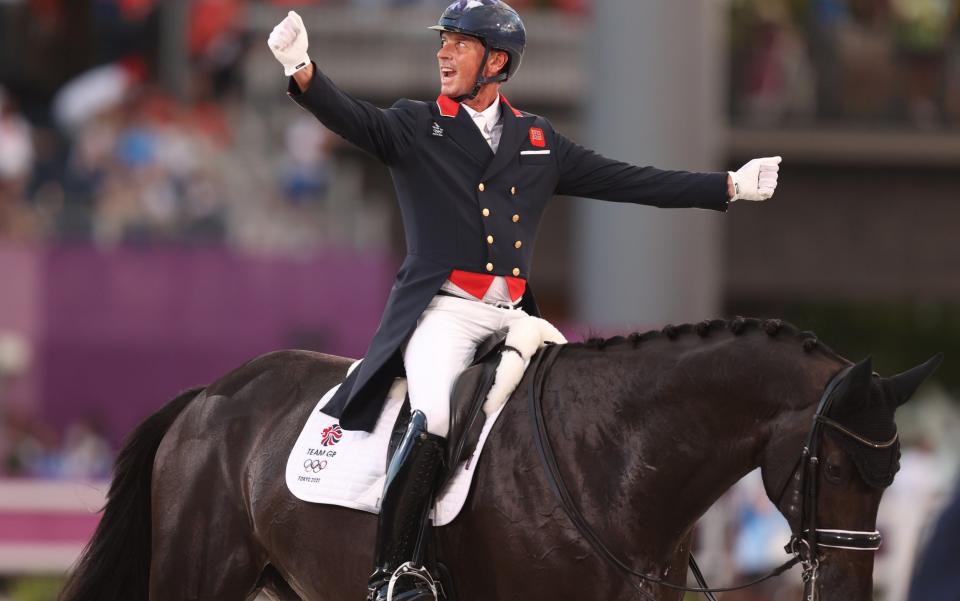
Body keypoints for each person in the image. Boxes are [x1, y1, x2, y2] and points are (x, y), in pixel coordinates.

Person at [268, 2, 781, 599]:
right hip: (443, 313)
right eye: (445, 42)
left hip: (515, 320)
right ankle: (395, 572)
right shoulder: (415, 123)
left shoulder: (538, 140)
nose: (443, 53)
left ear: (497, 61)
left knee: (573, 416)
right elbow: (353, 118)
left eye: (458, 44)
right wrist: (301, 68)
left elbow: (628, 179)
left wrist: (728, 186)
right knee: (433, 415)